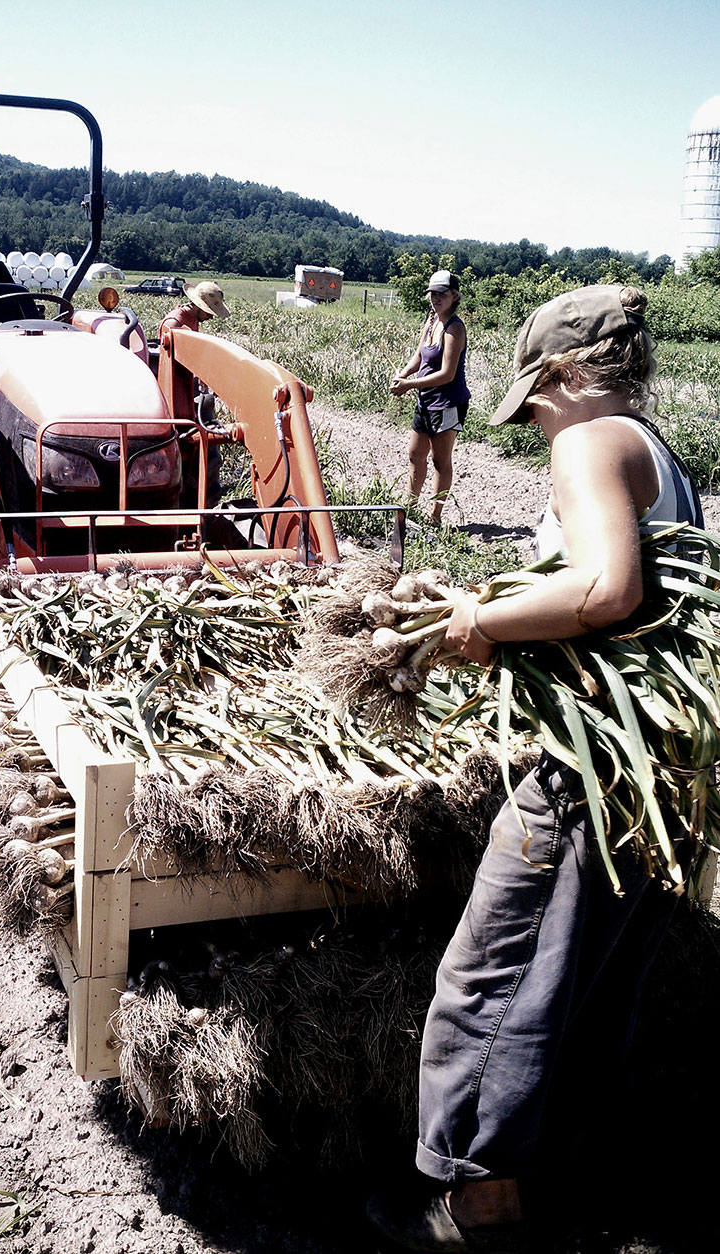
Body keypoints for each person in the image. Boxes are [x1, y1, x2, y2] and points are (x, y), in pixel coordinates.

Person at [368, 284, 704, 1252]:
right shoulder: (655, 451)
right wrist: (490, 601)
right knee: (585, 983)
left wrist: (472, 623)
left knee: (494, 981)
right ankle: (569, 1182)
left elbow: (605, 589)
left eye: (537, 398)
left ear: (560, 373)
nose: (536, 421)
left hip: (588, 771)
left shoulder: (589, 442)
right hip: (651, 775)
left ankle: (475, 1212)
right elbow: (620, 596)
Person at [390, 270, 470, 527]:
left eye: (441, 294)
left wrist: (408, 385)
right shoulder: (432, 321)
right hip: (426, 400)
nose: (435, 298)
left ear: (454, 296)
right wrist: (402, 374)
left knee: (439, 460)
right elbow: (420, 357)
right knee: (415, 454)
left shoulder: (454, 328)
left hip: (448, 403)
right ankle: (410, 509)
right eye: (432, 294)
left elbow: (447, 374)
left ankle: (434, 516)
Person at [158, 280, 230, 337]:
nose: (211, 317)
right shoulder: (173, 322)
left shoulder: (194, 318)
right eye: (208, 313)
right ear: (198, 306)